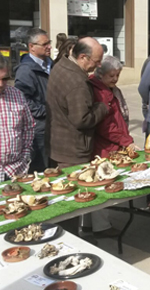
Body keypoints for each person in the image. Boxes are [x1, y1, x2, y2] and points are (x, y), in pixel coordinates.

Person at [46, 37, 117, 238]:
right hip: (73, 149)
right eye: (96, 60)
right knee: (72, 201)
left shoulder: (61, 66)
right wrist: (103, 107)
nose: (99, 65)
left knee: (66, 197)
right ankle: (69, 241)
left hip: (59, 144)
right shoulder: (77, 82)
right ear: (83, 57)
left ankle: (74, 233)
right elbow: (82, 120)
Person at [14, 28, 52, 173]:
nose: (49, 46)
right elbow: (23, 100)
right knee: (41, 170)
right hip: (39, 129)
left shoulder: (50, 65)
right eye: (45, 44)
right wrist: (45, 111)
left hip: (53, 126)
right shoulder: (26, 70)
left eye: (49, 43)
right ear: (32, 47)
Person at [90, 56, 139, 158]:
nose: (115, 79)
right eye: (111, 76)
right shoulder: (99, 92)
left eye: (117, 75)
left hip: (116, 143)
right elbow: (105, 126)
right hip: (105, 147)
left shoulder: (112, 89)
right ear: (101, 74)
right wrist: (126, 141)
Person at [0, 53, 35, 182]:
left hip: (16, 170)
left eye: (5, 79)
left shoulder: (16, 95)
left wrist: (25, 154)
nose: (1, 84)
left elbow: (28, 126)